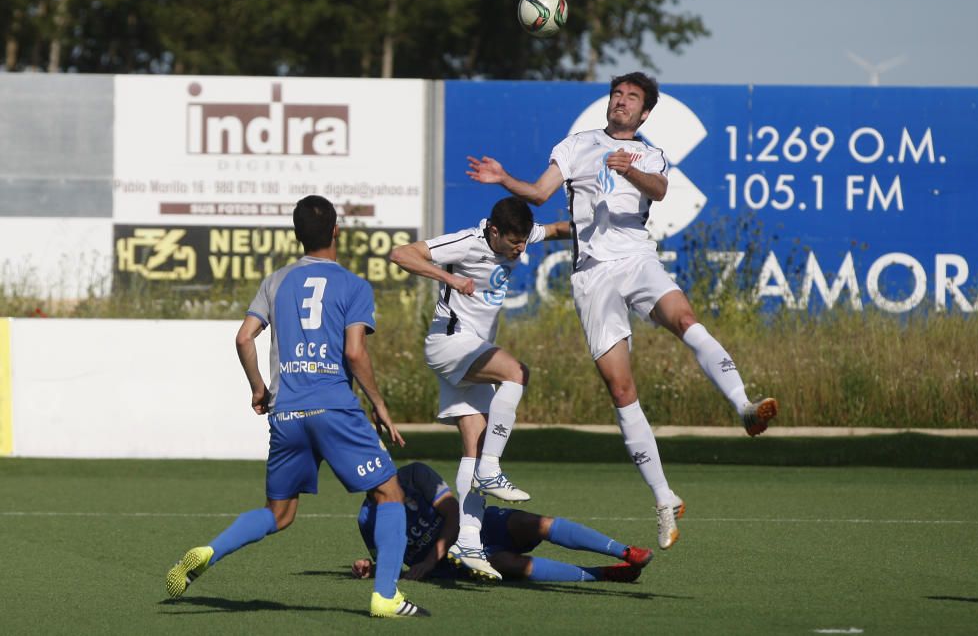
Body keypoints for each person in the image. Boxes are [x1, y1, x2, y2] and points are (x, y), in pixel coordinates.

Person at [466, 72, 778, 551]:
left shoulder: (650, 154)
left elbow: (658, 189)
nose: (622, 102)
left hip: (638, 260)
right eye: (617, 95)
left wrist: (628, 169)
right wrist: (504, 178)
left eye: (632, 98)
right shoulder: (576, 145)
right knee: (621, 388)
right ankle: (663, 499)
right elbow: (538, 193)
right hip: (592, 275)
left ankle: (744, 406)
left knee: (686, 319)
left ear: (645, 112)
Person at [165, 195, 428, 619]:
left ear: (296, 235)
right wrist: (378, 403)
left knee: (279, 514)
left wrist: (259, 389)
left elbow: (243, 338)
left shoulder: (276, 281)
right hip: (335, 409)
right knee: (389, 492)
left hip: (286, 413)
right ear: (336, 231)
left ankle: (210, 551)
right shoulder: (353, 285)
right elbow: (356, 352)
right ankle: (386, 597)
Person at [389, 197, 569, 581]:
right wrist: (450, 278)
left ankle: (469, 540)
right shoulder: (467, 242)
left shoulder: (517, 235)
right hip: (451, 344)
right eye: (514, 243)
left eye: (524, 242)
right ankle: (491, 470)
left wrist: (603, 230)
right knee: (516, 373)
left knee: (475, 441)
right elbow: (400, 253)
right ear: (494, 232)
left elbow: (555, 230)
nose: (521, 250)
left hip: (469, 351)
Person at [351, 462, 653, 584]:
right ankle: (602, 574)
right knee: (504, 561)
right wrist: (371, 568)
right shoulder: (367, 519)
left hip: (477, 527)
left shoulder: (416, 474)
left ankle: (625, 552)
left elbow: (454, 514)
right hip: (454, 562)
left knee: (530, 522)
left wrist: (429, 559)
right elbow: (392, 565)